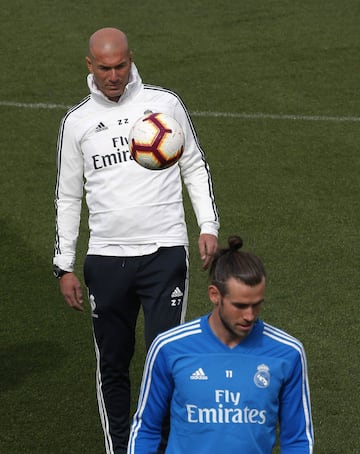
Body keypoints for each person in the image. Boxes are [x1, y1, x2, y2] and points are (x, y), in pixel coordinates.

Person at [53, 27, 219, 454]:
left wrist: (208, 225)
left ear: (131, 59)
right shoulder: (77, 123)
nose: (113, 76)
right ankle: (121, 447)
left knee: (166, 362)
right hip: (106, 260)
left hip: (165, 253)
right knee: (113, 364)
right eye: (104, 68)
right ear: (90, 66)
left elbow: (195, 167)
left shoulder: (164, 105)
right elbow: (68, 194)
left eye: (120, 66)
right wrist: (64, 263)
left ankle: (161, 447)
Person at [128, 236, 314, 453]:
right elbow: (145, 429)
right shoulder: (169, 348)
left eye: (256, 305)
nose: (250, 316)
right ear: (215, 295)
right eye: (240, 305)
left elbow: (297, 440)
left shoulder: (287, 353)